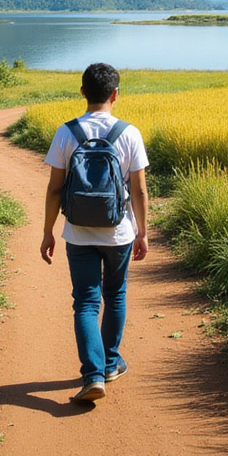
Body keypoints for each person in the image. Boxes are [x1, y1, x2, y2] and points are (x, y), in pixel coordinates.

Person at [40, 62, 150, 404]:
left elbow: (55, 189)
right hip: (119, 233)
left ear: (83, 91)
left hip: (78, 233)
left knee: (86, 302)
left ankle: (93, 375)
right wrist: (143, 232)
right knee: (115, 295)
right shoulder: (129, 133)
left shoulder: (67, 132)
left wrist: (48, 232)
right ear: (115, 94)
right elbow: (140, 190)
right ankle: (111, 364)